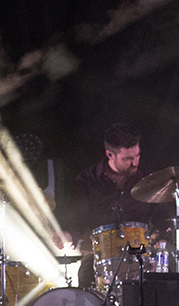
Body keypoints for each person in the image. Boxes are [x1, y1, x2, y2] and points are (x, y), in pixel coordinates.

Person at [62, 123, 164, 286]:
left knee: (164, 278)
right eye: (127, 159)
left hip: (141, 254)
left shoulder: (149, 177)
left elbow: (163, 218)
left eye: (137, 156)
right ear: (110, 154)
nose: (134, 163)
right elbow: (78, 219)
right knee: (85, 276)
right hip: (100, 257)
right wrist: (69, 234)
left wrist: (159, 236)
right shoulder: (88, 180)